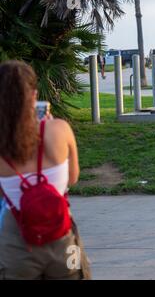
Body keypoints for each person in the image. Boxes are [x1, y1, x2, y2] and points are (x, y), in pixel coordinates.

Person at [0, 61, 90, 280]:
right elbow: (73, 178)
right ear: (33, 96)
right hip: (63, 240)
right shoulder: (59, 129)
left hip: (16, 246)